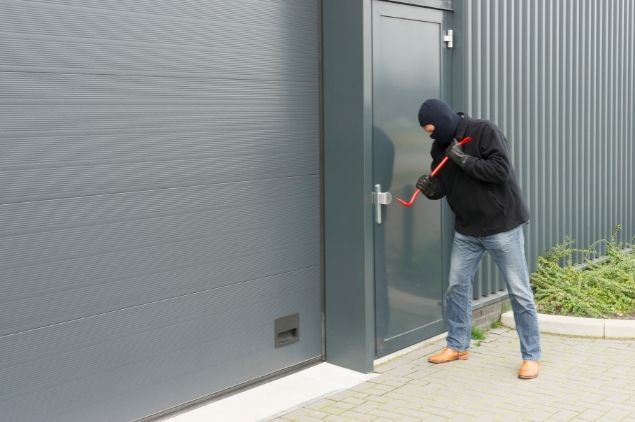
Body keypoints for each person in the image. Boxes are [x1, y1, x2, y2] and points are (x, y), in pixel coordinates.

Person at [415, 98, 541, 379]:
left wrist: (463, 159)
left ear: (444, 120)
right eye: (427, 132)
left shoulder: (484, 131)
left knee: (519, 292)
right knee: (456, 287)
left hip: (502, 227)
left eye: (431, 128)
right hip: (467, 230)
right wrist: (431, 189)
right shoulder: (439, 147)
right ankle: (458, 345)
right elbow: (445, 187)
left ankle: (531, 356)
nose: (431, 135)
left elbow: (500, 172)